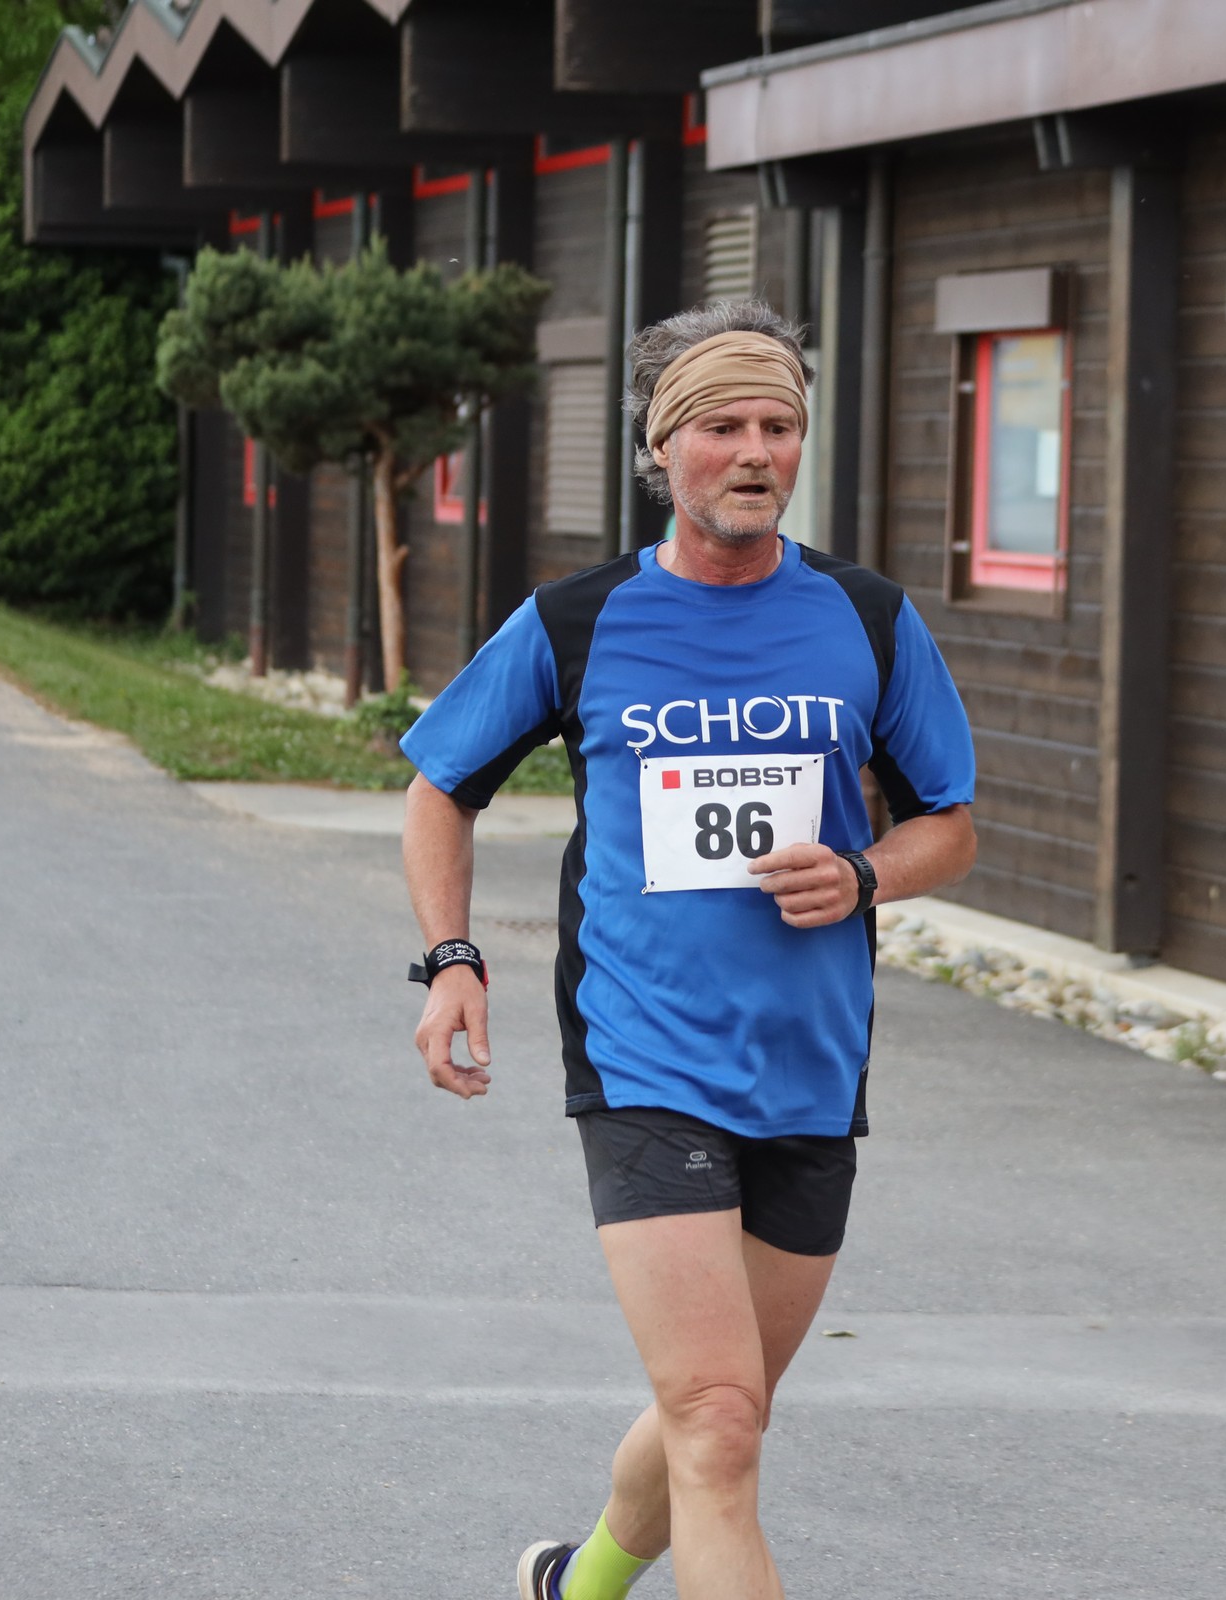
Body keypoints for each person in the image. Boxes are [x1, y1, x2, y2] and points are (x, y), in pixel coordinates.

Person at [398, 300, 978, 1600]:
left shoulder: (868, 619)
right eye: (723, 425)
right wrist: (451, 958)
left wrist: (867, 872)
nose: (756, 452)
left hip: (811, 1067)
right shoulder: (579, 621)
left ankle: (576, 1585)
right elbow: (442, 787)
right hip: (645, 1055)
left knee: (721, 1409)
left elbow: (950, 824)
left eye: (779, 425)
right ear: (663, 449)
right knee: (717, 1421)